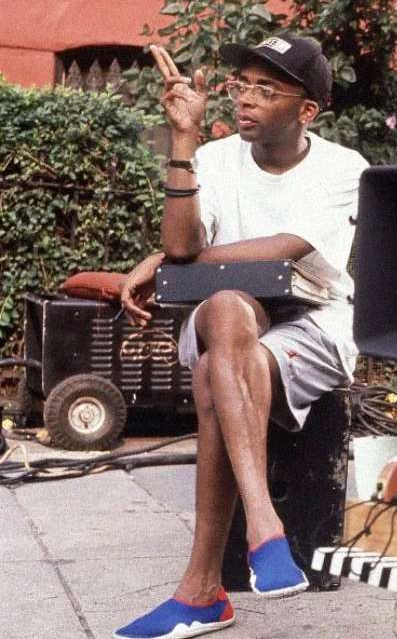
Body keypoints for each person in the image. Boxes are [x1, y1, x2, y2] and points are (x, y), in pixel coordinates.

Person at [113, 34, 367, 639]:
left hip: (313, 327)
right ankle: (263, 524)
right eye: (241, 85)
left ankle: (201, 593)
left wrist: (170, 262)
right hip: (229, 319)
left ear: (307, 110)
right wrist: (183, 140)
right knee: (227, 306)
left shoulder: (344, 168)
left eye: (266, 89)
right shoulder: (219, 157)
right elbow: (183, 245)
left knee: (214, 368)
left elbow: (284, 251)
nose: (246, 99)